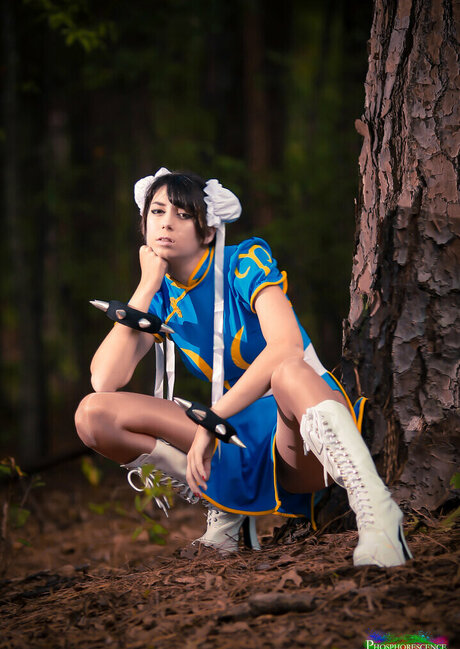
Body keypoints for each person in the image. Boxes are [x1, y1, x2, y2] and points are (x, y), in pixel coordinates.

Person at [75, 168, 412, 567]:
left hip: (294, 423)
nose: (166, 223)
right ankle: (225, 506)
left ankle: (378, 514)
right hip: (231, 432)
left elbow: (286, 347)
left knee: (287, 370)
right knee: (93, 415)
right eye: (157, 212)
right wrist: (146, 287)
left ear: (208, 231)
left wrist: (211, 421)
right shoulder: (160, 293)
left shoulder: (243, 262)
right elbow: (104, 379)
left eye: (183, 214)